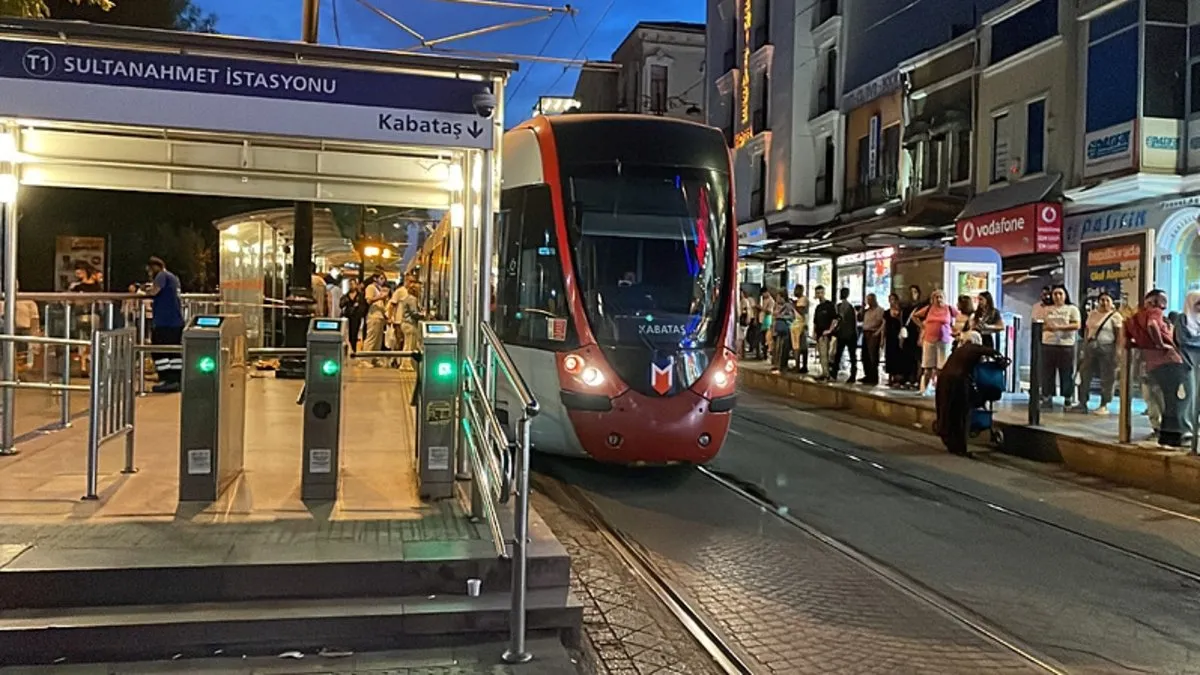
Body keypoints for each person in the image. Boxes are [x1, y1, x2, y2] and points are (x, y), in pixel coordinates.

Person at [1127, 290, 1189, 447]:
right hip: (1169, 361)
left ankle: (1168, 436)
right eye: (1163, 299)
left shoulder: (1135, 318)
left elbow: (1127, 340)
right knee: (1178, 399)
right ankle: (1175, 435)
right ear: (1152, 301)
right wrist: (1161, 344)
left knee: (1169, 400)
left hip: (1153, 364)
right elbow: (1152, 325)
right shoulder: (1154, 312)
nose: (1165, 304)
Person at [935, 331, 998, 457]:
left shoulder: (959, 350)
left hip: (944, 380)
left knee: (946, 410)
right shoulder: (973, 348)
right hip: (958, 381)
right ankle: (960, 447)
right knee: (960, 413)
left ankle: (949, 439)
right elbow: (991, 352)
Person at [1074, 292, 1123, 415]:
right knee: (1085, 375)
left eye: (1107, 300)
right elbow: (1087, 331)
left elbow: (1119, 335)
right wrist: (1084, 348)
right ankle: (1082, 402)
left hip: (1107, 348)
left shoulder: (1115, 316)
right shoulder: (1092, 314)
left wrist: (1118, 351)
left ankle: (1104, 404)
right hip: (1091, 347)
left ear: (1112, 303)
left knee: (1107, 377)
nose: (1104, 303)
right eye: (1102, 300)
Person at [145, 256, 184, 393]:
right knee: (173, 351)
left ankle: (166, 377)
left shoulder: (161, 276)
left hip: (164, 321)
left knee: (159, 350)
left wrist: (146, 292)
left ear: (154, 267)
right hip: (175, 321)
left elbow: (155, 291)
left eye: (150, 271)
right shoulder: (173, 277)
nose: (150, 274)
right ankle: (176, 379)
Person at [1040, 285, 1081, 408]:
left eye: (1060, 294)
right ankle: (1047, 396)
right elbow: (1040, 324)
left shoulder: (1072, 309)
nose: (1057, 296)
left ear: (1065, 295)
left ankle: (1067, 397)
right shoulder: (1046, 309)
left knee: (1066, 372)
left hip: (1066, 345)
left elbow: (1077, 325)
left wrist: (1059, 327)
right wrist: (1048, 328)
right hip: (1048, 343)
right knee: (1047, 372)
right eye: (1055, 294)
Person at [912, 289, 957, 395]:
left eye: (941, 297)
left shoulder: (949, 309)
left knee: (941, 367)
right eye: (936, 297)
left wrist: (955, 330)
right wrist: (922, 326)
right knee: (927, 366)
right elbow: (915, 316)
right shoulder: (928, 309)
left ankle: (940, 389)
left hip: (944, 340)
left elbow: (960, 317)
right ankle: (923, 389)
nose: (939, 299)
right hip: (929, 339)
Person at [1171, 291, 1200, 439]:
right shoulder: (1182, 319)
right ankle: (1185, 426)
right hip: (1187, 361)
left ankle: (1196, 425)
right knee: (1189, 394)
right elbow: (1181, 340)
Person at [388, 284, 421, 370]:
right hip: (410, 324)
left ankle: (404, 363)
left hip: (404, 323)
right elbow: (413, 313)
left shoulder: (406, 298)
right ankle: (406, 364)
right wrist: (423, 316)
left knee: (406, 344)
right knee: (409, 345)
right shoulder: (412, 299)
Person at [363, 273, 390, 366]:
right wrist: (380, 297)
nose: (383, 280)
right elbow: (369, 300)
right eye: (381, 278)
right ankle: (365, 359)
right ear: (375, 278)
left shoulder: (380, 289)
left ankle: (375, 357)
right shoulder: (370, 288)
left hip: (380, 316)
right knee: (371, 338)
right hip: (373, 316)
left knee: (378, 339)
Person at [811, 286, 837, 381]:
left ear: (824, 293)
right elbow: (815, 321)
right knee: (822, 355)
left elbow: (834, 319)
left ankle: (827, 374)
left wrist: (830, 330)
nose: (819, 295)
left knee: (825, 354)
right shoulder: (818, 307)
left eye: (820, 293)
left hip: (826, 334)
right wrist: (814, 332)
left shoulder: (829, 305)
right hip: (819, 333)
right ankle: (824, 372)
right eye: (817, 293)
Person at [883, 293, 909, 388]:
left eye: (893, 299)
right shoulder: (886, 312)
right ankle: (890, 377)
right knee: (889, 356)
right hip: (889, 337)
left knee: (898, 356)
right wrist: (883, 337)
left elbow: (903, 325)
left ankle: (899, 379)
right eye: (890, 299)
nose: (892, 301)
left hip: (897, 336)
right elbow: (884, 325)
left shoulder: (901, 313)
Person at [903, 285, 926, 387]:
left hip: (917, 333)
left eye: (915, 292)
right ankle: (910, 377)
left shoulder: (921, 307)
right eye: (911, 292)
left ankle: (918, 378)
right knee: (909, 357)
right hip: (908, 334)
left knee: (918, 358)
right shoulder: (906, 307)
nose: (913, 294)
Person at [860, 293, 884, 386]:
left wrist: (878, 332)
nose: (868, 302)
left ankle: (874, 376)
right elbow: (859, 318)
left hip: (873, 333)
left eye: (870, 300)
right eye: (867, 300)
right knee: (864, 355)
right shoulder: (867, 311)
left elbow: (882, 322)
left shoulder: (880, 310)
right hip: (865, 332)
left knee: (872, 355)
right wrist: (862, 308)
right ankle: (867, 375)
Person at [770, 290, 796, 375]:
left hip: (785, 329)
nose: (777, 299)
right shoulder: (780, 306)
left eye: (778, 297)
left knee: (783, 348)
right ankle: (778, 365)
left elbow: (792, 316)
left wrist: (780, 316)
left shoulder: (788, 306)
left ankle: (782, 366)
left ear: (782, 297)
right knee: (779, 347)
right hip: (780, 330)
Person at [340, 278, 368, 354]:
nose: (351, 286)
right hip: (348, 317)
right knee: (347, 334)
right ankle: (348, 349)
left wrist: (359, 311)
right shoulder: (346, 295)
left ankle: (354, 349)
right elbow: (341, 305)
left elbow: (363, 306)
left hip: (356, 317)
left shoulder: (360, 296)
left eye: (353, 284)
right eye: (350, 284)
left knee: (355, 333)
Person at [791, 285, 809, 373]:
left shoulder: (803, 299)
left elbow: (802, 311)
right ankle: (798, 365)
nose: (795, 291)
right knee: (797, 346)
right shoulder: (798, 300)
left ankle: (802, 365)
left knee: (801, 346)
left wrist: (794, 305)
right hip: (796, 325)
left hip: (801, 325)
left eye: (796, 290)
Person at [757, 288, 776, 361]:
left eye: (763, 294)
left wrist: (761, 308)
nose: (763, 295)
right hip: (762, 320)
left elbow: (769, 312)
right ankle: (763, 353)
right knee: (762, 338)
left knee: (767, 338)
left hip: (767, 320)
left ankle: (766, 354)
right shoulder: (763, 300)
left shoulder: (771, 301)